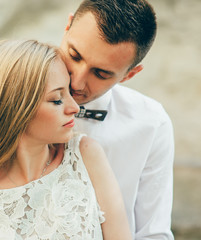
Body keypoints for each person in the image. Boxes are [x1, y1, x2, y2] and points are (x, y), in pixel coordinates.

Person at [0, 39, 131, 239]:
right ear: (15, 108)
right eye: (57, 99)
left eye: (69, 92)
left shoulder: (85, 155)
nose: (74, 108)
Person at [60, 0, 174, 239]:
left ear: (130, 74)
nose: (76, 82)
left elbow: (153, 233)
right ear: (68, 26)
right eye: (74, 55)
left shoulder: (152, 124)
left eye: (100, 73)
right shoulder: (10, 97)